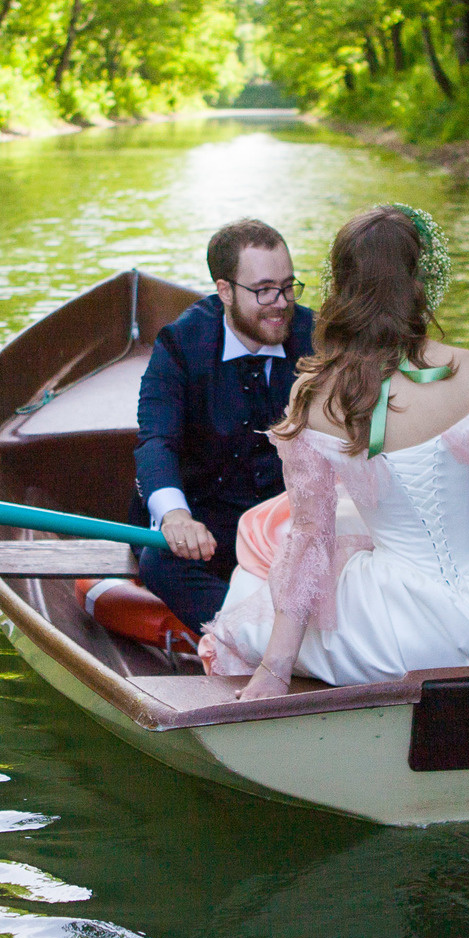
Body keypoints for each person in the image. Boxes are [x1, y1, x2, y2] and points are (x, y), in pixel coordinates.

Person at [202, 203, 469, 700]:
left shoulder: (314, 396)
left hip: (394, 637)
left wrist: (274, 671)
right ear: (419, 282)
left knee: (272, 575)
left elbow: (309, 544)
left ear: (341, 288)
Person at [132, 218, 317, 634]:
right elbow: (156, 442)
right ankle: (262, 635)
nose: (282, 302)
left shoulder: (317, 337)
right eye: (264, 290)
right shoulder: (180, 345)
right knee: (159, 563)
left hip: (286, 523)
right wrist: (176, 516)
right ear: (224, 291)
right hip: (208, 526)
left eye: (288, 286)